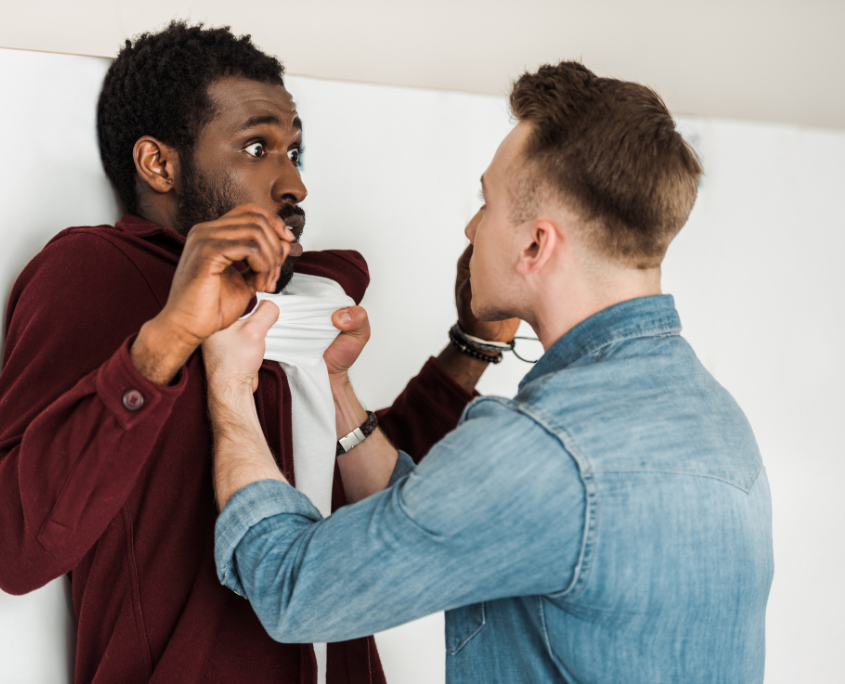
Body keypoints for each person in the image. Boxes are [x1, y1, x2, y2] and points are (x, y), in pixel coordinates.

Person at [206, 62, 774, 684]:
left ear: (535, 245)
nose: (472, 229)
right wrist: (335, 389)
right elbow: (435, 519)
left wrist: (230, 392)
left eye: (487, 202)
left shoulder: (545, 450)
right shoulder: (716, 417)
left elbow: (293, 590)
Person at [0, 22, 517, 684]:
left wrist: (472, 343)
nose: (292, 184)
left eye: (294, 154)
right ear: (159, 164)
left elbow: (371, 507)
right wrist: (164, 341)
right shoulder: (96, 272)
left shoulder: (311, 292)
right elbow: (20, 547)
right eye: (255, 147)